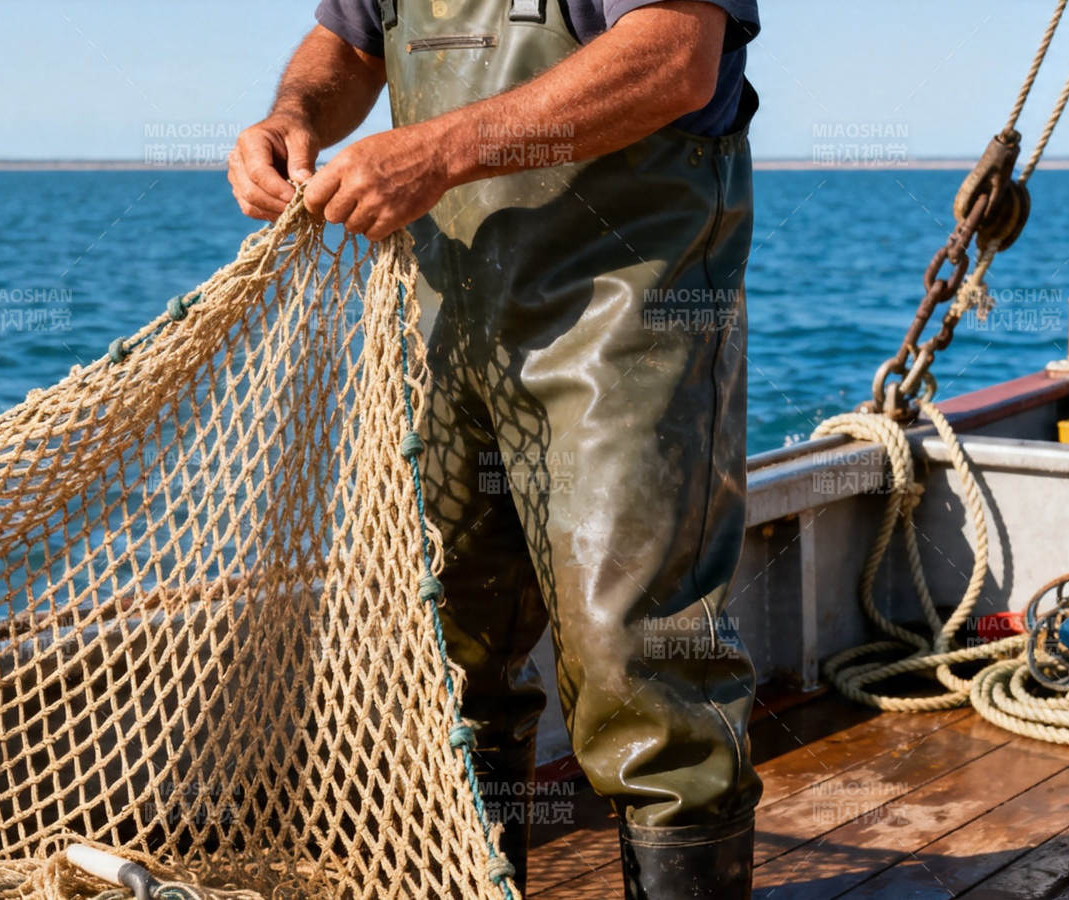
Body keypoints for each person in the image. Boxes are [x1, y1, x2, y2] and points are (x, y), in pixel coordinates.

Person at [229, 2, 761, 897]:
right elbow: (352, 40)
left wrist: (437, 152)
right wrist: (296, 117)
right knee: (439, 650)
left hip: (621, 310)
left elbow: (676, 56)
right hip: (439, 317)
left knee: (643, 668)